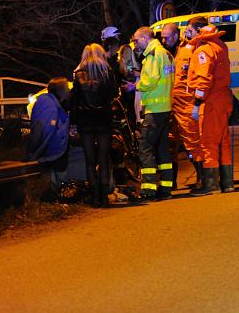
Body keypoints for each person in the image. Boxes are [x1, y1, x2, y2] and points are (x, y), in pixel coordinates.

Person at [125, 26, 175, 201]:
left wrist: (135, 86)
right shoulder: (165, 54)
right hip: (165, 107)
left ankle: (149, 190)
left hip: (154, 109)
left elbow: (151, 80)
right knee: (162, 149)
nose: (135, 43)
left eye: (137, 40)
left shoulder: (153, 54)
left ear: (145, 38)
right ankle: (166, 189)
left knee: (145, 148)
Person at [186, 17, 234, 195]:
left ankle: (211, 184)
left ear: (200, 32)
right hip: (224, 98)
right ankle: (227, 183)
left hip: (211, 101)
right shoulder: (221, 45)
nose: (186, 34)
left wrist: (197, 102)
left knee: (208, 142)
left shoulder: (204, 50)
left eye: (189, 30)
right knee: (223, 141)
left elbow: (204, 79)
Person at [71, 43, 117, 207]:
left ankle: (94, 197)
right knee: (103, 159)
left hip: (85, 120)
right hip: (103, 118)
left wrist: (73, 122)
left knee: (90, 161)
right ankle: (105, 197)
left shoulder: (79, 74)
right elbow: (114, 93)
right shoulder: (107, 72)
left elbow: (74, 100)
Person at [163, 23, 204, 189]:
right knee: (170, 143)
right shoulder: (164, 53)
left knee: (192, 141)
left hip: (186, 103)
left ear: (176, 35)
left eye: (167, 37)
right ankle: (170, 182)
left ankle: (203, 177)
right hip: (171, 103)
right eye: (162, 37)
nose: (164, 40)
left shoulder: (188, 49)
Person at [26, 77, 71, 198]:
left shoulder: (47, 103)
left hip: (49, 148)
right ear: (61, 91)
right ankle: (58, 193)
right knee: (58, 167)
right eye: (67, 89)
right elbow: (46, 130)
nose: (69, 92)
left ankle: (56, 192)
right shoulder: (50, 107)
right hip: (53, 148)